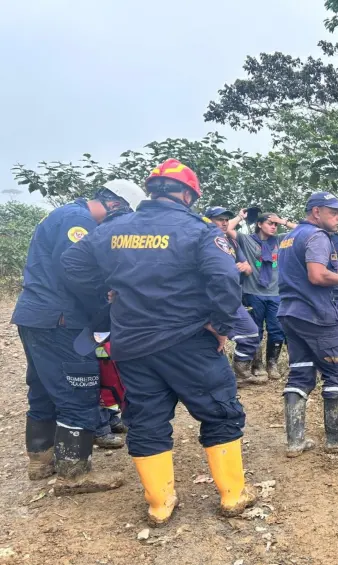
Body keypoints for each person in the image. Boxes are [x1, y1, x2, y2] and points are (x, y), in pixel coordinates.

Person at [61, 159, 256, 525]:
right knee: (220, 411)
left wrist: (106, 293)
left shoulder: (114, 230)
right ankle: (232, 496)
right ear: (187, 194)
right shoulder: (197, 231)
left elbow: (72, 263)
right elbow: (224, 278)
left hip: (131, 343)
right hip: (189, 342)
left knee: (147, 419)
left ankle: (159, 504)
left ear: (151, 191)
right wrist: (222, 325)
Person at [13, 179, 145, 494]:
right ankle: (74, 473)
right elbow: (77, 272)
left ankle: (41, 460)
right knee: (80, 389)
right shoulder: (79, 221)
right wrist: (107, 302)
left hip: (36, 316)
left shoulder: (63, 214)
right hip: (61, 320)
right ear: (115, 205)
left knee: (44, 387)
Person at [277, 192, 338, 458]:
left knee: (300, 373)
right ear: (316, 212)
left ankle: (295, 442)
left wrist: (334, 272)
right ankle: (337, 437)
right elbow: (316, 276)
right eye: (333, 212)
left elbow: (303, 272)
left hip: (291, 315)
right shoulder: (317, 237)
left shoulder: (288, 238)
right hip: (318, 315)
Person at [228, 210, 295, 380]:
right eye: (269, 223)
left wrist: (281, 220)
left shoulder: (280, 241)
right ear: (259, 224)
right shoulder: (247, 239)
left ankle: (272, 363)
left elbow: (303, 231)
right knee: (255, 329)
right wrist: (240, 217)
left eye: (275, 225)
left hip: (275, 294)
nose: (273, 227)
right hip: (252, 292)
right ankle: (257, 364)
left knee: (277, 329)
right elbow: (225, 228)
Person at [204, 206, 261, 386]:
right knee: (209, 341)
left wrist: (244, 267)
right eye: (219, 219)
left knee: (251, 334)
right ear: (208, 220)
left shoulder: (230, 242)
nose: (224, 222)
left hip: (231, 298)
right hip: (207, 299)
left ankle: (240, 372)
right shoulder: (201, 240)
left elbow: (248, 267)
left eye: (226, 219)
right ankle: (215, 380)